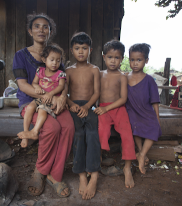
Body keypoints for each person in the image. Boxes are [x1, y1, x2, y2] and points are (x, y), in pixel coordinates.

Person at [13, 13, 74, 198]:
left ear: (50, 32)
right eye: (37, 26)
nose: (41, 29)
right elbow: (23, 84)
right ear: (30, 31)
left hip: (54, 100)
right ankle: (40, 170)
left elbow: (63, 81)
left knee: (69, 127)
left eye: (45, 27)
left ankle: (54, 175)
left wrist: (62, 97)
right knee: (52, 128)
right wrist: (47, 98)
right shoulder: (21, 56)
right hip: (31, 101)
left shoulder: (54, 56)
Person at [93, 40, 136, 188]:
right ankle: (96, 162)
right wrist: (98, 108)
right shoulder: (99, 74)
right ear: (104, 57)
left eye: (117, 57)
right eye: (110, 57)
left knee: (127, 134)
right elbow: (94, 93)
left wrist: (107, 108)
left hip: (118, 108)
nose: (113, 61)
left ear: (121, 59)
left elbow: (123, 98)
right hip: (102, 109)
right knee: (100, 131)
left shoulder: (122, 76)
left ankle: (127, 167)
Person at [66, 32, 101, 200]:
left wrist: (87, 106)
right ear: (71, 50)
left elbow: (97, 92)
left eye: (84, 48)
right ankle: (81, 175)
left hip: (90, 106)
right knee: (78, 135)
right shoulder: (68, 71)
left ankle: (94, 175)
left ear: (90, 50)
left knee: (93, 134)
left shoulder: (95, 69)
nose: (81, 52)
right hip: (73, 107)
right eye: (77, 48)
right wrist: (72, 105)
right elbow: (64, 94)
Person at [17, 44, 66, 146]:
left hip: (50, 100)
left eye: (58, 60)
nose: (55, 63)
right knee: (29, 107)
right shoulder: (40, 71)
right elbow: (34, 83)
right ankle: (26, 133)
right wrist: (37, 88)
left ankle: (35, 131)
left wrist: (51, 94)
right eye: (52, 60)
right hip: (41, 98)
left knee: (41, 110)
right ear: (44, 59)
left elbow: (61, 86)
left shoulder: (60, 74)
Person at [126, 43, 162, 174]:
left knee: (154, 126)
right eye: (132, 60)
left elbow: (155, 101)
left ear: (146, 61)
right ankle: (141, 152)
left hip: (145, 110)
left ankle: (141, 154)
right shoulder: (125, 77)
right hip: (131, 110)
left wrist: (157, 117)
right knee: (134, 125)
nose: (135, 63)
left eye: (139, 60)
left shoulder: (149, 80)